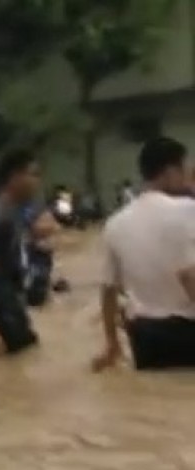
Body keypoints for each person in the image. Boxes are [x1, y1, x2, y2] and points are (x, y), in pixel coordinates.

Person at [93, 137, 195, 372]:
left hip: (144, 337)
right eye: (184, 170)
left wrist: (112, 344)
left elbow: (108, 290)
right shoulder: (188, 210)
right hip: (188, 332)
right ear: (170, 171)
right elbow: (189, 276)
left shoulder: (115, 223)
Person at [0, 149, 41, 358]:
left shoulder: (14, 210)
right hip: (0, 309)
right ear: (15, 177)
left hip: (10, 302)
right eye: (32, 174)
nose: (36, 181)